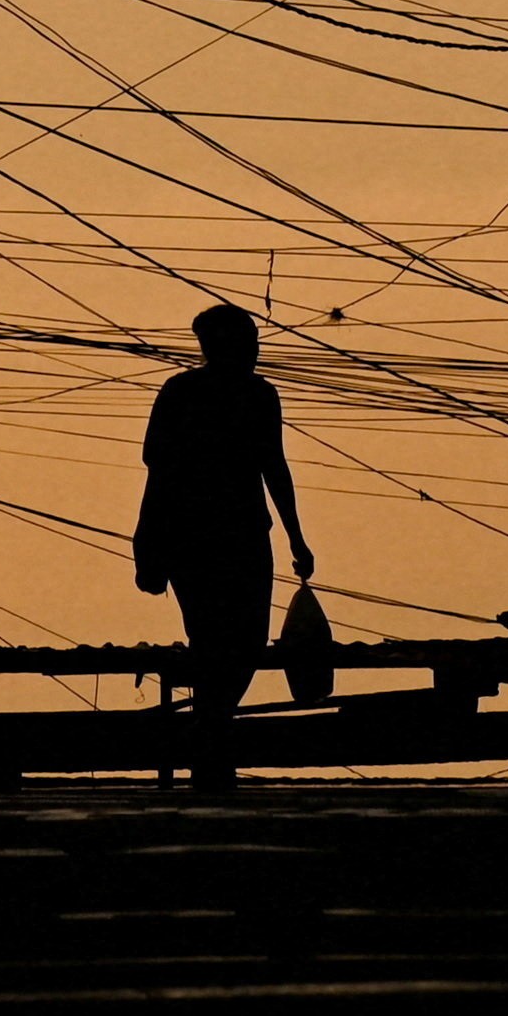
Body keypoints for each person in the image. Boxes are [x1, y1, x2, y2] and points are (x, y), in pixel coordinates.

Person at [131, 303, 313, 785]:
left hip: (247, 534)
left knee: (248, 640)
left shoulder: (260, 394)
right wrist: (147, 544)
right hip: (192, 537)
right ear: (215, 346)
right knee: (213, 640)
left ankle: (209, 732)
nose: (253, 350)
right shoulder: (181, 393)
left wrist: (296, 536)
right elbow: (160, 472)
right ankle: (211, 743)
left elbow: (275, 467)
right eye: (246, 341)